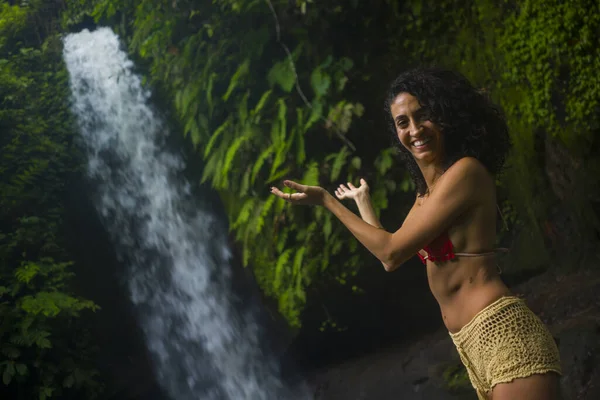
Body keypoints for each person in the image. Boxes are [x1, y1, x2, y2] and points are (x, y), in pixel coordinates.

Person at [270, 68, 562, 400]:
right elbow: (390, 258)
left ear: (445, 117)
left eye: (423, 116)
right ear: (396, 133)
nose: (414, 129)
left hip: (503, 335)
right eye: (403, 122)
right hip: (471, 345)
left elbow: (390, 251)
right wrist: (364, 204)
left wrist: (326, 200)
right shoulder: (427, 196)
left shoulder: (464, 172)